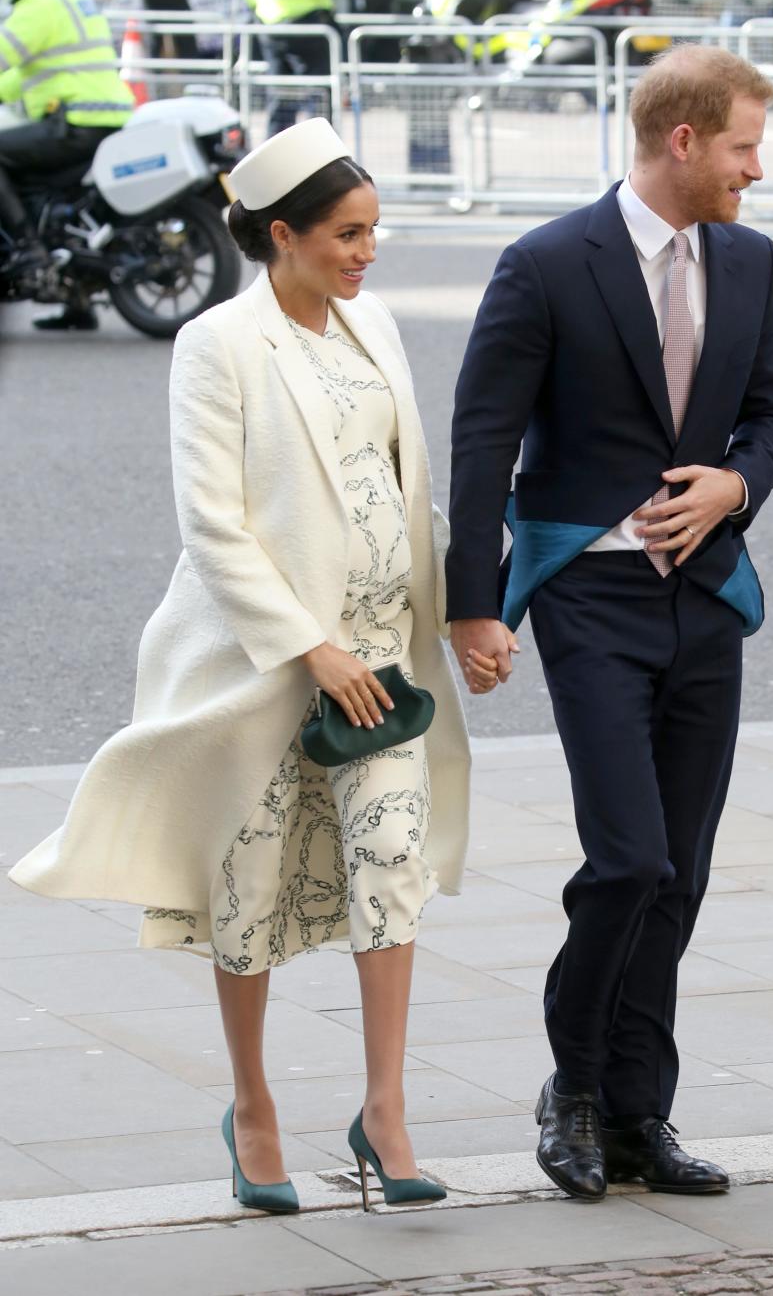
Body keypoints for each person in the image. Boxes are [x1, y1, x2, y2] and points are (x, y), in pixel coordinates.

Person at [9, 116, 488, 1214]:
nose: (369, 253)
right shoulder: (217, 343)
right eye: (348, 234)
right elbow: (212, 524)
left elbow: (407, 490)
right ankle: (254, 1107)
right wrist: (308, 649)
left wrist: (466, 613)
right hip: (266, 663)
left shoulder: (380, 331)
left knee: (391, 867)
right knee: (253, 891)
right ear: (284, 234)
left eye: (374, 232)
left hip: (383, 661)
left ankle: (385, 1112)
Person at [445, 46, 773, 1201]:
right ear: (685, 141)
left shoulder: (750, 260)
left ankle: (643, 1114)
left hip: (706, 595)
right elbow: (482, 440)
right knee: (629, 857)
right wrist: (473, 606)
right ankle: (576, 1087)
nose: (760, 167)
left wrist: (734, 486)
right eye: (745, 144)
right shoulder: (546, 263)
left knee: (682, 870)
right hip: (590, 595)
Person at [0, 0, 135, 328]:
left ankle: (27, 250)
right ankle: (78, 302)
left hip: (75, 121)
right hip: (105, 117)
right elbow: (29, 72)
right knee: (47, 191)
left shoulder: (40, 5)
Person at [236, 0, 343, 136]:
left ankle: (276, 152)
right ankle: (321, 150)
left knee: (280, 96)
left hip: (269, 23)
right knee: (318, 95)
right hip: (308, 23)